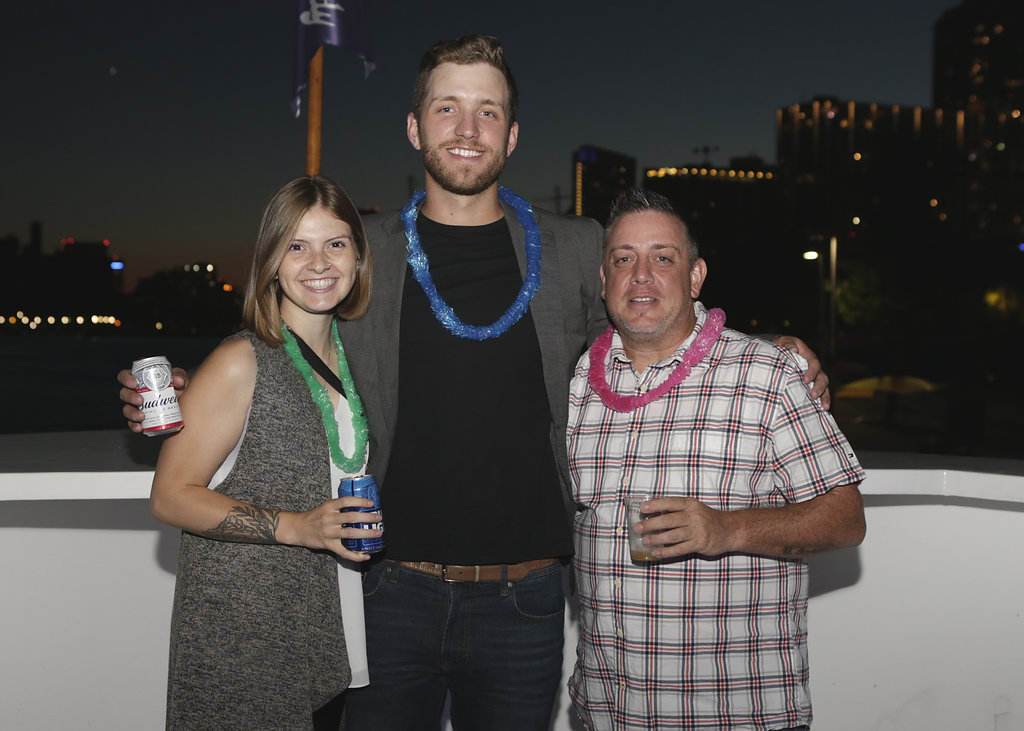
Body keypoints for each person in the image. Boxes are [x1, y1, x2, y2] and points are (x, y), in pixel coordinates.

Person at [120, 36, 831, 731]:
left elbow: (649, 320)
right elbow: (287, 335)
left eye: (487, 111)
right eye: (447, 109)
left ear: (512, 135)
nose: (467, 129)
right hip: (385, 590)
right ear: (414, 128)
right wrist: (187, 389)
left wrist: (768, 347)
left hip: (525, 599)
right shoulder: (366, 251)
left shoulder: (575, 245)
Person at [565, 189, 866, 730]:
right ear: (605, 279)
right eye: (623, 259)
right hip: (608, 711)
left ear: (696, 276)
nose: (641, 275)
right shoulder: (576, 387)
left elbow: (845, 517)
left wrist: (727, 529)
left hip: (734, 712)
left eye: (663, 257)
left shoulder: (765, 375)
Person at [148, 176, 380, 730]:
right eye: (297, 246)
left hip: (325, 622)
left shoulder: (359, 356)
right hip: (245, 634)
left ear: (357, 257)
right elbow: (170, 496)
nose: (319, 263)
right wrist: (296, 526)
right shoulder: (241, 359)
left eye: (336, 244)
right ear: (271, 262)